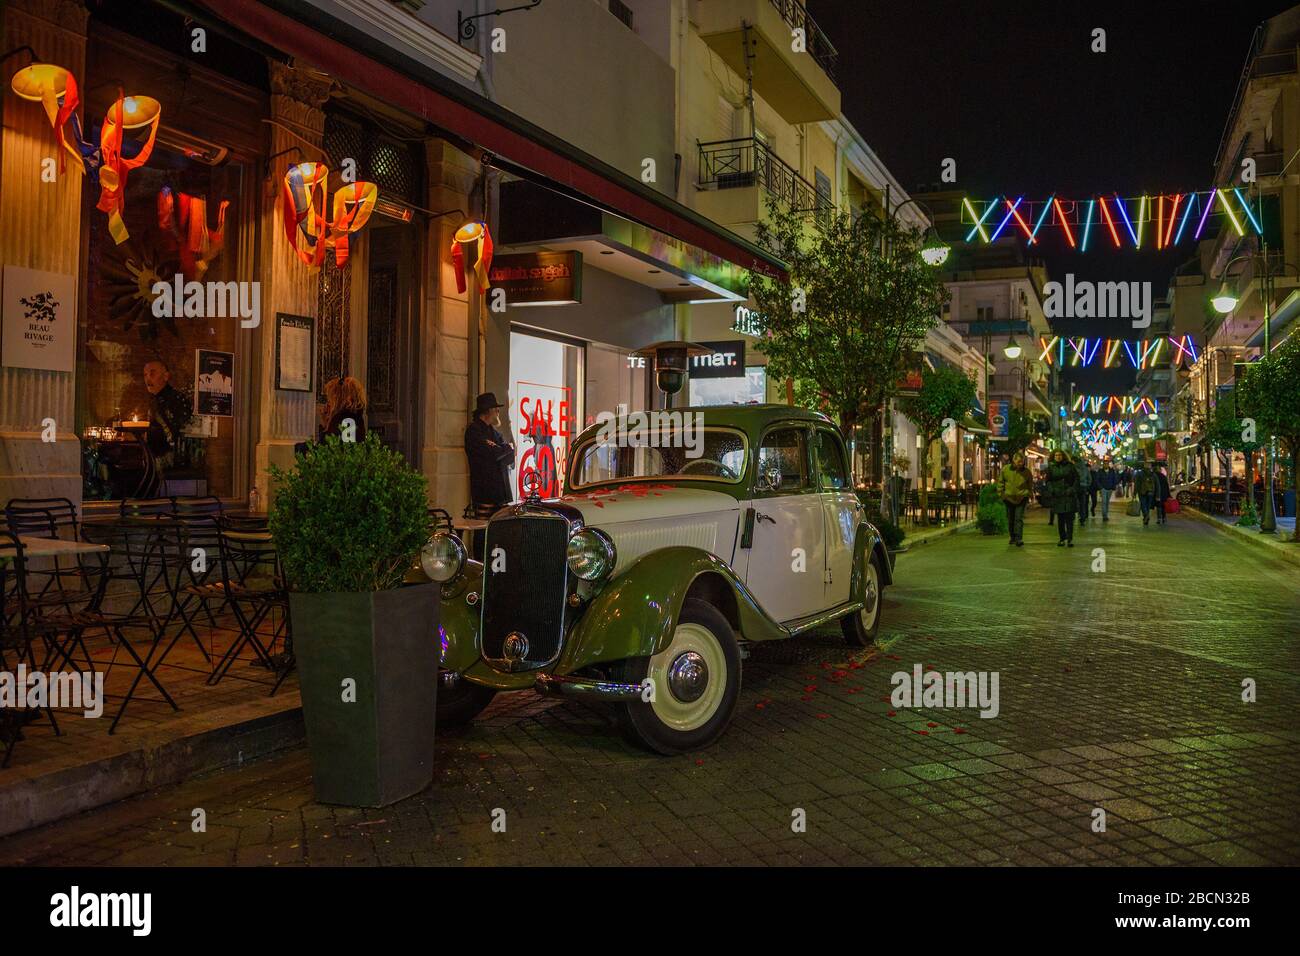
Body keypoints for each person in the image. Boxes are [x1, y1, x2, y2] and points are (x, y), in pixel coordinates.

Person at [465, 392, 515, 514]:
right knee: (482, 530)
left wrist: (504, 450)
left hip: (500, 494)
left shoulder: (494, 433)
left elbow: (509, 457)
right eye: (496, 409)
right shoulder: (474, 431)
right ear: (488, 411)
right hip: (485, 493)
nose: (498, 412)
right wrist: (505, 449)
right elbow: (493, 453)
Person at [143, 358, 193, 461]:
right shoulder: (151, 400)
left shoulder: (176, 399)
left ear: (165, 376)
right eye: (145, 375)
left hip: (172, 459)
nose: (148, 379)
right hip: (153, 456)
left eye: (152, 374)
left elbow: (180, 430)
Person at [997, 451, 1034, 547]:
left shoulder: (1026, 472)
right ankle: (1012, 537)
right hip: (1008, 498)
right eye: (1019, 461)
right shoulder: (1006, 469)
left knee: (1018, 518)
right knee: (1011, 519)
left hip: (1021, 497)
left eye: (1022, 461)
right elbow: (1001, 482)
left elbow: (1030, 484)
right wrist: (1002, 494)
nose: (1020, 463)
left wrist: (1028, 494)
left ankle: (1019, 538)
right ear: (1014, 461)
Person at [320, 376, 368, 442]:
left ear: (338, 398)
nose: (328, 402)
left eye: (330, 397)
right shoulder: (356, 417)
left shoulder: (343, 419)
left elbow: (326, 446)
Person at [1046, 450, 1078, 546]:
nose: (1058, 457)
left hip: (1068, 495)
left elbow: (1076, 479)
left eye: (1060, 455)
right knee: (1060, 519)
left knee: (1069, 519)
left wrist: (1072, 489)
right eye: (1056, 455)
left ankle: (1069, 539)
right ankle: (1062, 538)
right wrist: (1052, 490)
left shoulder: (1070, 466)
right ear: (1053, 456)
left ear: (1063, 456)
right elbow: (1048, 481)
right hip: (1058, 495)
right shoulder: (1051, 467)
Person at [1135, 461, 1156, 525]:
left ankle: (1146, 515)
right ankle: (1146, 516)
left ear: (1144, 465)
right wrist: (1157, 494)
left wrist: (1134, 492)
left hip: (1142, 491)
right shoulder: (1153, 474)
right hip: (1151, 492)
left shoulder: (1139, 473)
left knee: (1143, 504)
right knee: (1148, 505)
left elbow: (1137, 484)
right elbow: (1157, 484)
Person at [1074, 453, 1092, 527]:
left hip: (1075, 487)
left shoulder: (1074, 468)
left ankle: (1075, 515)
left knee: (1075, 502)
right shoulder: (1085, 469)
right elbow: (1090, 479)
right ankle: (1082, 518)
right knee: (1083, 504)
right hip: (1083, 488)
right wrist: (1087, 485)